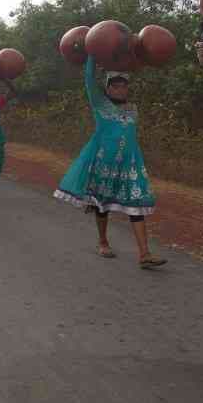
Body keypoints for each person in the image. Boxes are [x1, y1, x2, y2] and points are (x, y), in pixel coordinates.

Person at [53, 55, 166, 269]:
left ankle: (144, 254)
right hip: (104, 163)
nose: (121, 89)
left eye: (124, 86)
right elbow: (88, 79)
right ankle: (103, 242)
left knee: (137, 206)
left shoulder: (132, 109)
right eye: (115, 86)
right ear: (107, 89)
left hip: (130, 165)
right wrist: (92, 55)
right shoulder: (100, 104)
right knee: (101, 205)